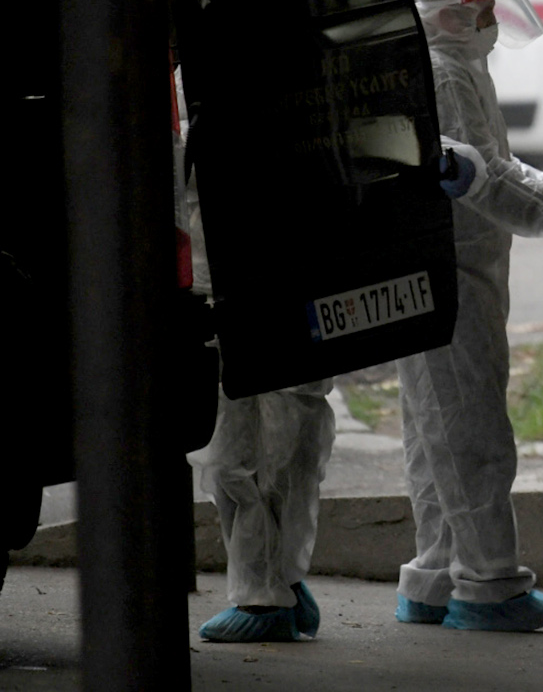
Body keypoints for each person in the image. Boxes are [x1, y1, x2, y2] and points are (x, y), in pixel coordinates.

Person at [187, 95, 485, 643]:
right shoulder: (200, 126)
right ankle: (274, 582)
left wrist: (454, 158)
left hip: (287, 291)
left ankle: (269, 591)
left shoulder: (300, 104)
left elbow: (381, 135)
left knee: (280, 449)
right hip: (231, 302)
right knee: (240, 456)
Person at [395, 0, 543, 633]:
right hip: (450, 270)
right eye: (483, 12)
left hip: (454, 266)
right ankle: (488, 585)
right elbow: (479, 179)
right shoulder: (445, 74)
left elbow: (496, 161)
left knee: (435, 431)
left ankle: (434, 577)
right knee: (470, 432)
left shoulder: (455, 72)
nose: (494, 25)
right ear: (455, 16)